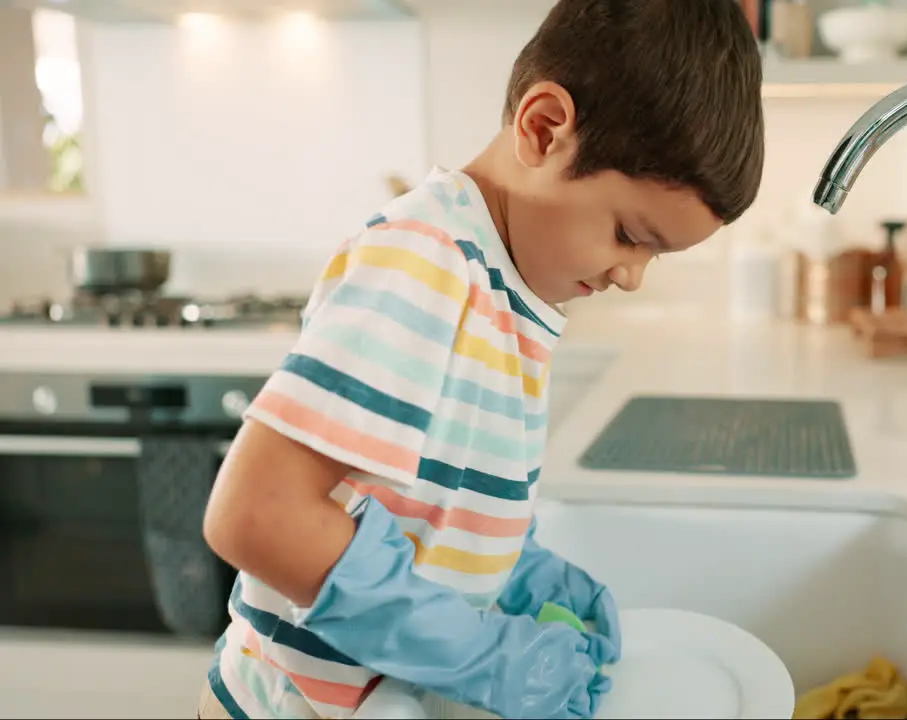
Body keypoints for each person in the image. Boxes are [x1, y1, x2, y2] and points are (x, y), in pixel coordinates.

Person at [196, 0, 765, 717]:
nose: (631, 275)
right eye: (628, 234)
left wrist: (513, 571)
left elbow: (427, 503)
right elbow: (255, 515)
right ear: (544, 128)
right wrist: (480, 652)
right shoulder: (422, 263)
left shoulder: (507, 292)